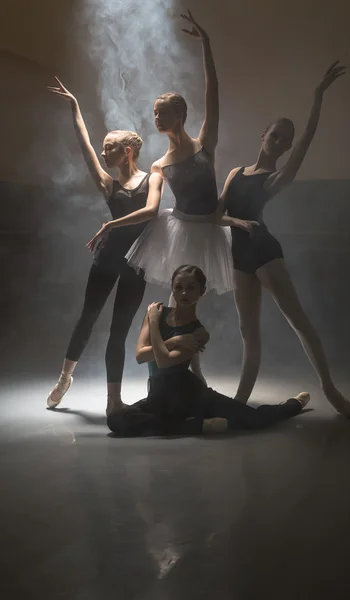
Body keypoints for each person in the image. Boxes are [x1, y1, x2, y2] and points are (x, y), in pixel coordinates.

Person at [219, 62, 350, 418]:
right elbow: (217, 215)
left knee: (298, 321)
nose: (278, 141)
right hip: (239, 253)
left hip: (264, 252)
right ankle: (239, 402)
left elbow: (305, 145)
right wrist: (233, 220)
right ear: (263, 134)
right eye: (275, 134)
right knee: (248, 332)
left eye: (284, 139)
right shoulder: (235, 172)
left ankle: (328, 386)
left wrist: (317, 97)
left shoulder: (274, 178)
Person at [46, 77, 163, 415]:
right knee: (87, 318)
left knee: (118, 331)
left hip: (135, 265)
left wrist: (110, 224)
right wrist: (75, 107)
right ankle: (65, 377)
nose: (102, 151)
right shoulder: (107, 183)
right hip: (107, 259)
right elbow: (84, 146)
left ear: (128, 150)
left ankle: (113, 399)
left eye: (109, 146)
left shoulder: (153, 177)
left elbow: (152, 211)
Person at [125, 10, 256, 296]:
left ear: (180, 114)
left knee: (199, 294)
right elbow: (151, 208)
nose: (156, 118)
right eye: (154, 113)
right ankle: (166, 336)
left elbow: (213, 92)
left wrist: (205, 45)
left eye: (163, 113)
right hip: (179, 229)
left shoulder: (205, 143)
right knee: (179, 291)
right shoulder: (159, 165)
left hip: (209, 228)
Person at [107, 264, 310, 437]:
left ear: (201, 291)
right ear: (172, 289)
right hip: (158, 397)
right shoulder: (156, 314)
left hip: (191, 395)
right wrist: (174, 339)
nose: (184, 293)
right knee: (115, 420)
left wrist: (155, 327)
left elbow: (164, 362)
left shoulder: (199, 333)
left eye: (191, 288)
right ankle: (195, 426)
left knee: (254, 419)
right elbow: (140, 356)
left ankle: (293, 404)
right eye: (179, 287)